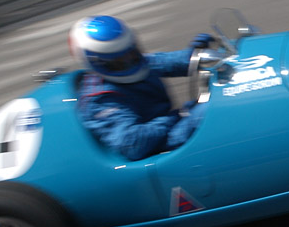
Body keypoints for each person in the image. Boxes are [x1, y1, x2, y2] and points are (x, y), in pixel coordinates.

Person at [69, 15, 211, 161]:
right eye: (119, 61)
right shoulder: (101, 100)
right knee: (211, 111)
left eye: (132, 53)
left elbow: (167, 61)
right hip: (157, 148)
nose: (129, 61)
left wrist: (199, 55)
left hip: (172, 125)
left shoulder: (137, 62)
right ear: (96, 62)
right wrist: (179, 115)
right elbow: (133, 143)